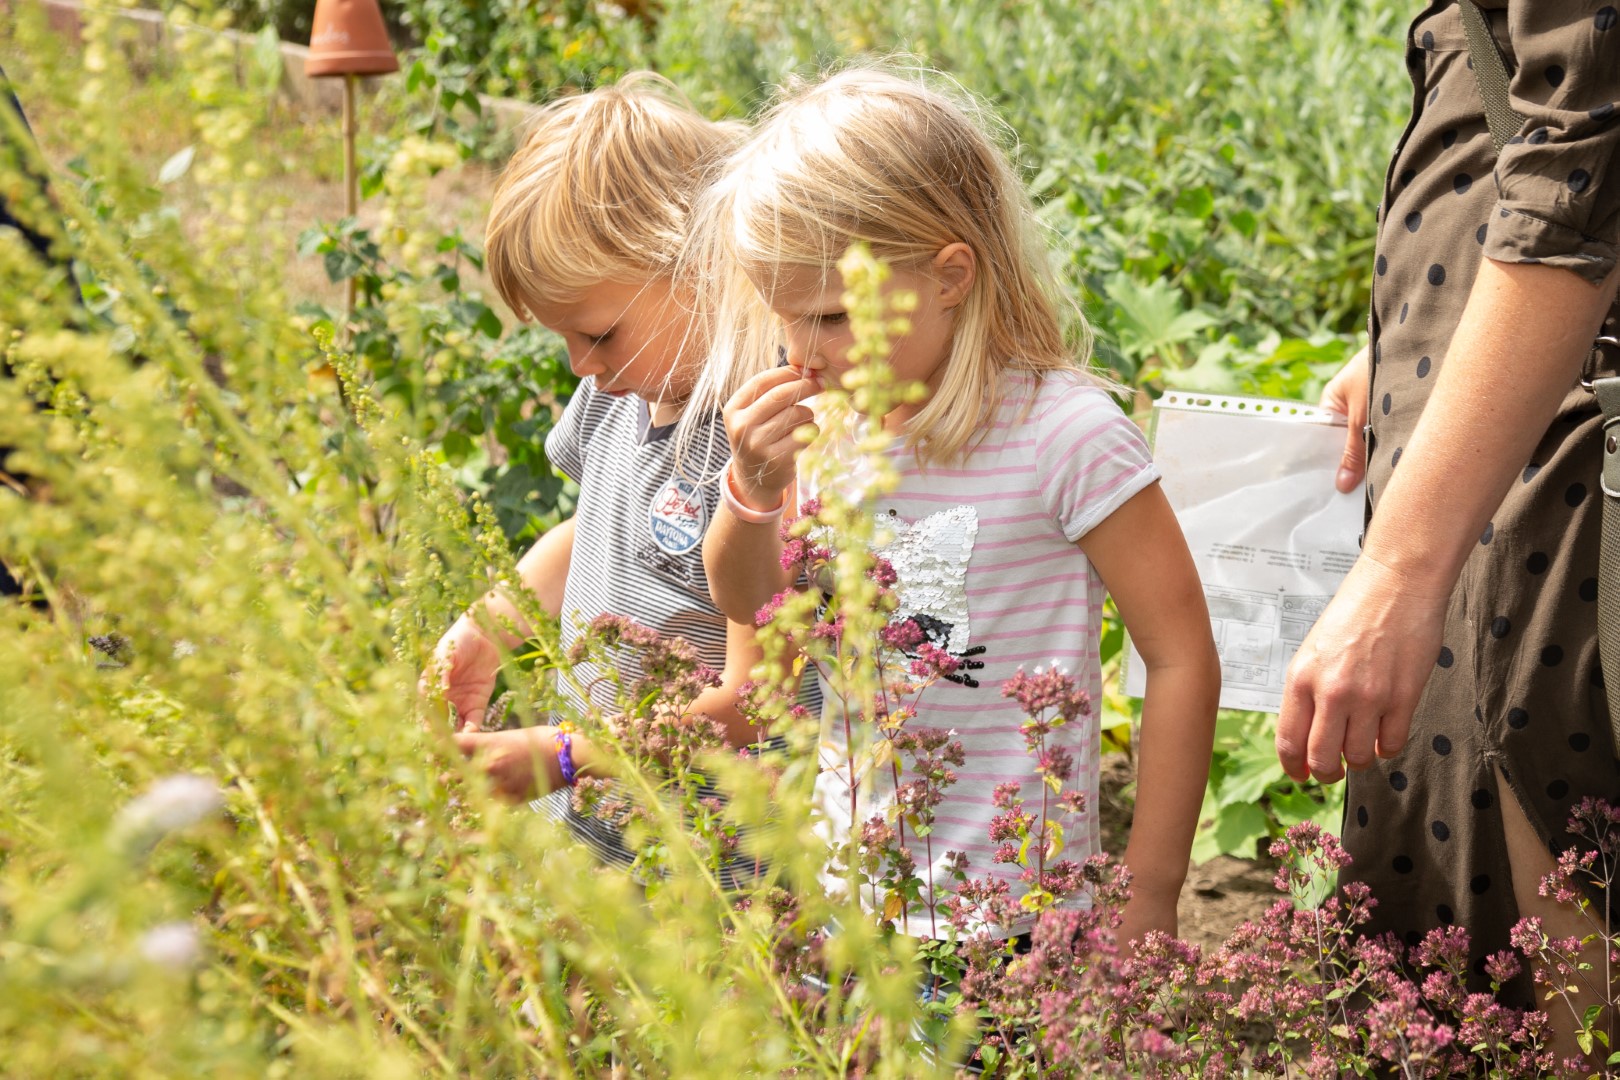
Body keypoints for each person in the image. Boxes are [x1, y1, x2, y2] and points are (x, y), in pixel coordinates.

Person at [691, 68, 1220, 946]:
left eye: (829, 315)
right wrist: (752, 492)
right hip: (852, 896)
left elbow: (1179, 656)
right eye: (784, 319)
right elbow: (754, 612)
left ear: (949, 276)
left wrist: (1151, 891)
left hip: (1023, 913)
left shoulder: (1066, 434)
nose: (799, 353)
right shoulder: (824, 431)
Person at [1277, 0, 1620, 1031]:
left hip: (1554, 483)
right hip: (1505, 438)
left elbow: (1581, 159)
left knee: (1560, 1011)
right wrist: (1407, 338)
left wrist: (1395, 575)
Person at [426, 74, 784, 887]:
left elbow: (755, 700)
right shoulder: (617, 395)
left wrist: (563, 753)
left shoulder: (762, 442)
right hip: (598, 831)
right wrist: (487, 627)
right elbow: (591, 531)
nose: (580, 366)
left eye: (596, 332)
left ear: (701, 262)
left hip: (710, 862)